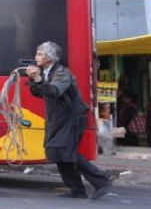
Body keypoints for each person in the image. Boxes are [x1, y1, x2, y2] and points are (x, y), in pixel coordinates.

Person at [25, 41, 114, 200]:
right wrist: (34, 80)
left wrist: (38, 78)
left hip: (71, 118)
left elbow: (55, 91)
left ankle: (102, 181)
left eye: (39, 54)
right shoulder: (47, 73)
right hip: (57, 118)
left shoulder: (62, 73)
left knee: (66, 152)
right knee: (57, 152)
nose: (35, 57)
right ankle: (77, 190)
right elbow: (40, 93)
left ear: (49, 57)